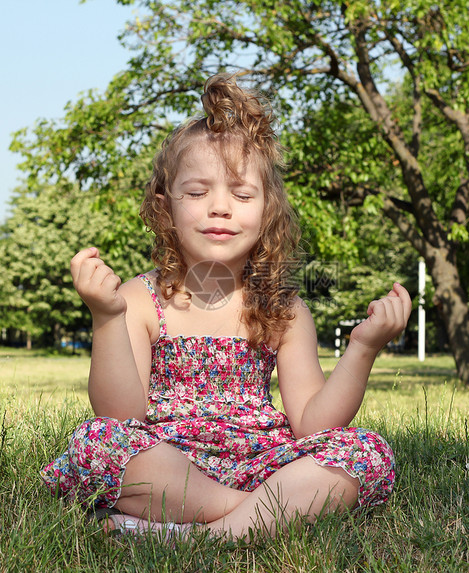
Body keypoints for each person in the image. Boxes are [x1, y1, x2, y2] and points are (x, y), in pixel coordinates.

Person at [41, 74, 412, 541]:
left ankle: (195, 534)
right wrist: (106, 318)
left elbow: (314, 425)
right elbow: (121, 414)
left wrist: (362, 348)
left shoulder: (283, 308)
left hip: (262, 461)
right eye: (197, 193)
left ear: (268, 209)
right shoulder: (138, 300)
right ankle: (258, 516)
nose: (220, 207)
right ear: (166, 206)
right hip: (170, 462)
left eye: (241, 194)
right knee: (98, 442)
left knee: (365, 451)